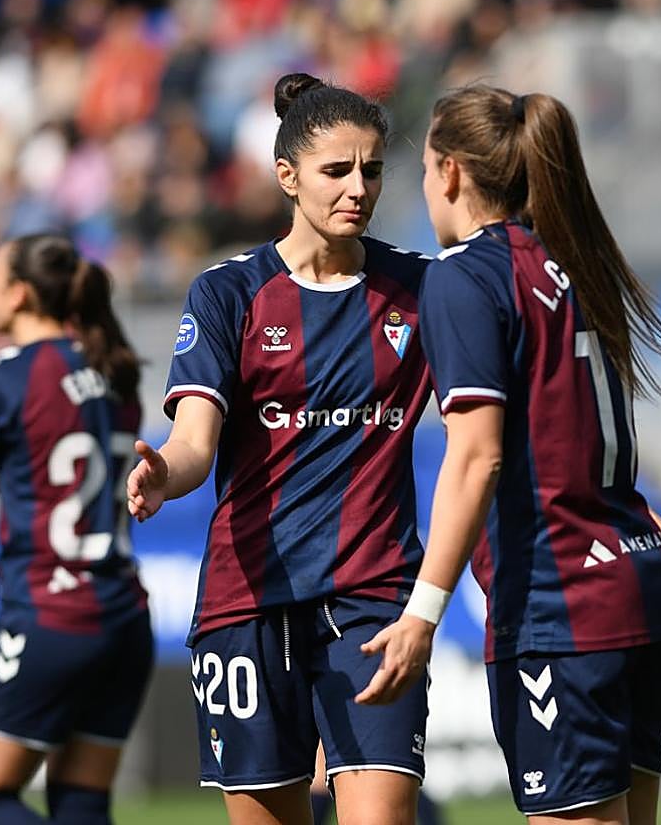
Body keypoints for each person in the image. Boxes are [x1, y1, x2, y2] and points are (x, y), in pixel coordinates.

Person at [356, 86, 661, 825]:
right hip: (638, 584)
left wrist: (423, 611)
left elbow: (476, 457)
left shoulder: (464, 276)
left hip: (562, 605)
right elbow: (573, 426)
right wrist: (632, 517)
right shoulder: (576, 262)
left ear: (450, 173)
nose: (422, 188)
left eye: (422, 170)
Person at [125, 73, 432, 825]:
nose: (357, 188)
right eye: (336, 171)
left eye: (372, 170)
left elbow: (499, 430)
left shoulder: (421, 289)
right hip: (248, 599)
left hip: (375, 595)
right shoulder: (230, 293)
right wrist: (166, 472)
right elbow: (195, 440)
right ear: (287, 177)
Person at [0, 234, 153, 825]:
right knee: (81, 805)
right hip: (123, 620)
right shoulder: (114, 373)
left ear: (17, 294)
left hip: (47, 618)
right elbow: (43, 486)